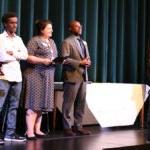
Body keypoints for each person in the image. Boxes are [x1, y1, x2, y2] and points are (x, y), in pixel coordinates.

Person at [23, 19, 58, 140]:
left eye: (51, 28)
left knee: (41, 104)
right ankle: (29, 131)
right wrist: (43, 61)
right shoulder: (34, 40)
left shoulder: (51, 42)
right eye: (49, 28)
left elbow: (54, 56)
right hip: (35, 75)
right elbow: (28, 57)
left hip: (47, 75)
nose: (51, 30)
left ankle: (37, 129)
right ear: (42, 30)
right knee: (33, 104)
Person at [0, 12, 28, 142]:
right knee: (0, 105)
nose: (14, 25)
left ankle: (9, 134)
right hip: (4, 76)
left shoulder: (19, 39)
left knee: (14, 106)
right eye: (12, 22)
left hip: (17, 76)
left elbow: (25, 55)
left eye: (16, 22)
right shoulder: (0, 38)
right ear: (5, 24)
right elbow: (2, 57)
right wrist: (16, 55)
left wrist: (14, 54)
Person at [61, 20, 91, 136]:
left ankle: (78, 126)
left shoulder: (84, 42)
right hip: (72, 76)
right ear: (70, 28)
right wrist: (80, 62)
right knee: (68, 103)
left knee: (80, 103)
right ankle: (67, 127)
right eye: (76, 26)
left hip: (83, 76)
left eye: (80, 26)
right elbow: (65, 59)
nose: (79, 28)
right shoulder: (67, 42)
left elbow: (86, 57)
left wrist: (88, 61)